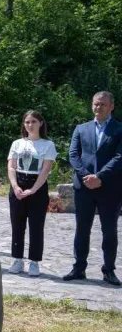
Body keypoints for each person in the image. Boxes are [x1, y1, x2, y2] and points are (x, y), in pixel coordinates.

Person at [64, 91, 122, 285]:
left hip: (110, 187)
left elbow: (119, 157)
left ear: (111, 106)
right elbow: (73, 155)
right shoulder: (81, 128)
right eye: (96, 104)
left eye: (103, 104)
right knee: (82, 229)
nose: (98, 107)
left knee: (110, 230)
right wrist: (86, 176)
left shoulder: (119, 129)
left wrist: (99, 176)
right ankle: (79, 268)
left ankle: (108, 270)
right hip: (84, 187)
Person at [6, 110, 56, 277]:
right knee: (17, 225)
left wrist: (33, 190)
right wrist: (15, 186)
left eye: (33, 121)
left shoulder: (47, 145)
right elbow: (11, 166)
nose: (30, 125)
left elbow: (45, 171)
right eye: (27, 122)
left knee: (36, 226)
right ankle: (17, 259)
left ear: (40, 123)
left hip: (37, 188)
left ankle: (34, 262)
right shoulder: (17, 143)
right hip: (18, 186)